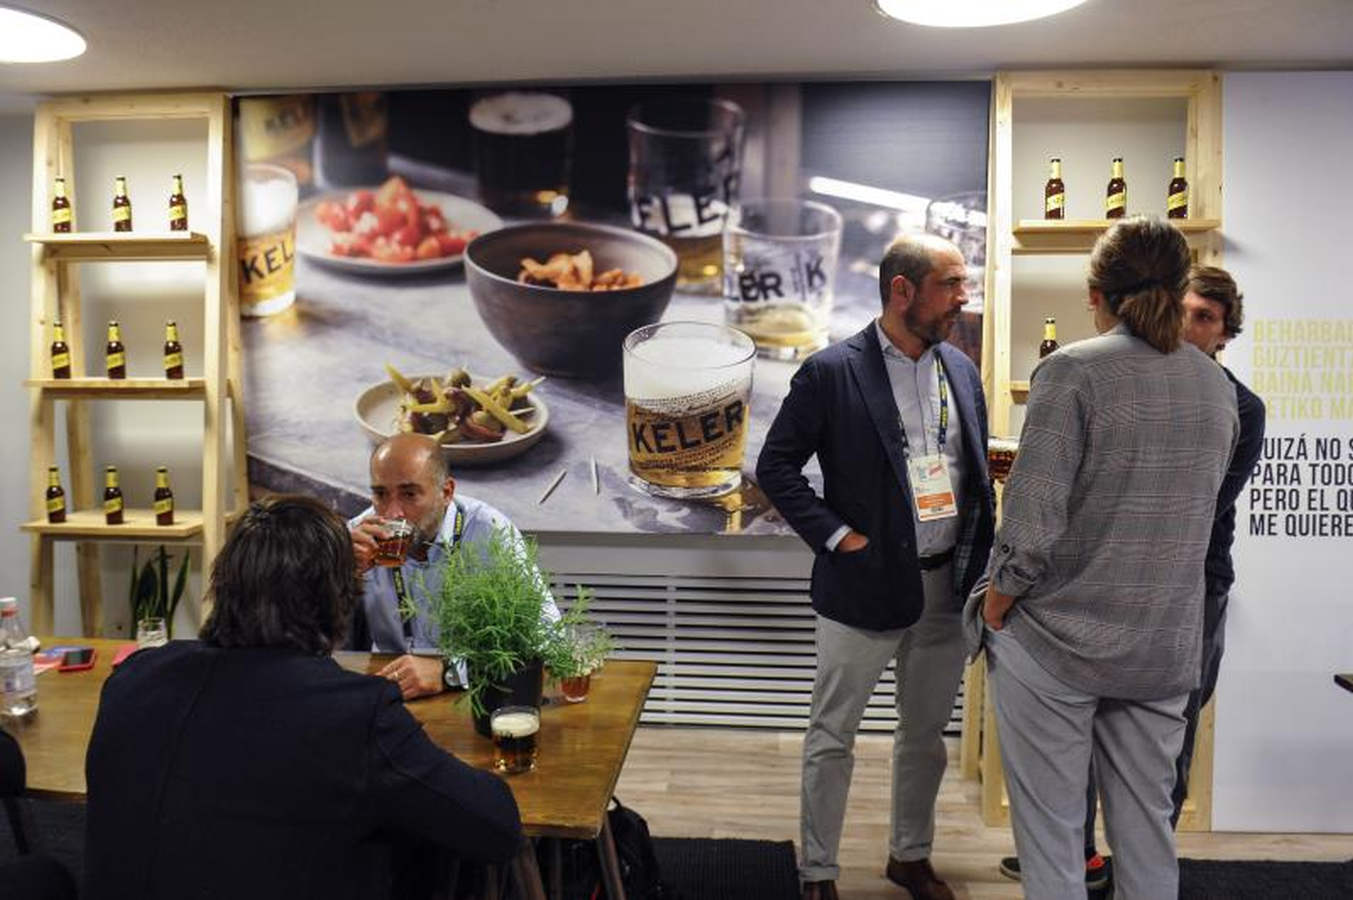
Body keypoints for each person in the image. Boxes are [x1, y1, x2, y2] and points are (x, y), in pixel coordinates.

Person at [976, 218, 1239, 900]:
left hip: (1056, 638)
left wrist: (997, 602)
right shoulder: (1216, 387)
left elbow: (1031, 520)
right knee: (1148, 834)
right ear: (1181, 291)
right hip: (1160, 642)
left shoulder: (1069, 371)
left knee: (1054, 839)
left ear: (1095, 293)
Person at [83, 494, 523, 900]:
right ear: (336, 596)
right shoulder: (354, 714)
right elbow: (496, 826)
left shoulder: (132, 678)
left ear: (223, 582)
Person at [757, 233, 995, 900]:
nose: (961, 297)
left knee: (924, 740)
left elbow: (966, 475)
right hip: (861, 584)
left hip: (945, 587)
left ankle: (909, 857)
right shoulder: (831, 371)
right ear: (902, 290)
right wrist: (838, 538)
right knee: (832, 736)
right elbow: (776, 467)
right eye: (950, 284)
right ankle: (817, 872)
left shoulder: (962, 371)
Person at [348, 432, 557, 699]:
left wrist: (450, 672)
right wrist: (343, 580)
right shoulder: (357, 537)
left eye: (409, 494)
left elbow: (547, 642)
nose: (391, 513)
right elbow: (306, 642)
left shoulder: (489, 533)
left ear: (446, 493)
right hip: (389, 688)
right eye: (380, 494)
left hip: (474, 694)